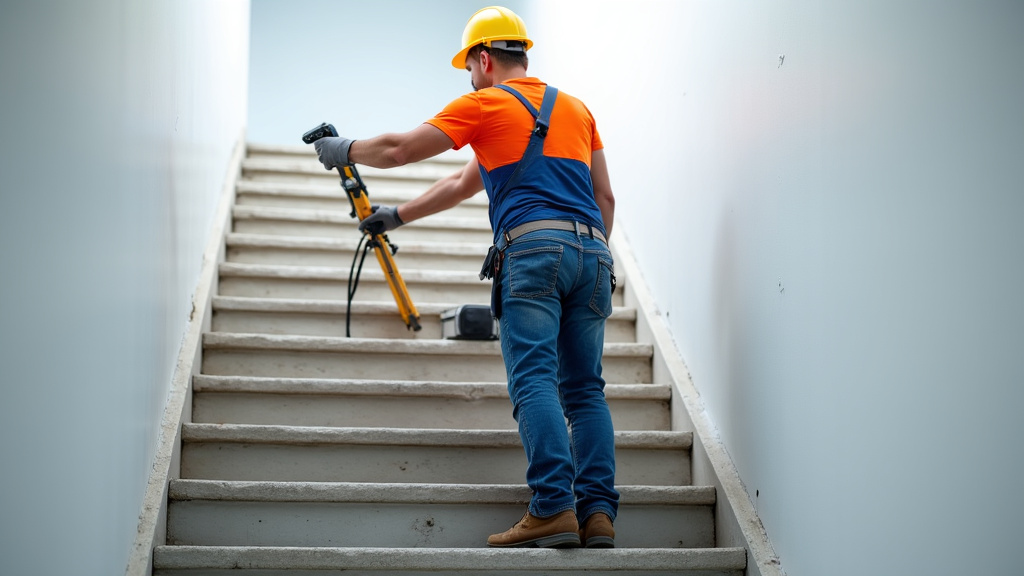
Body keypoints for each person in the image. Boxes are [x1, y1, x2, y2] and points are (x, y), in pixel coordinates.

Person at [312, 5, 618, 549]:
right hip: (594, 254)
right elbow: (596, 196)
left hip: (532, 252)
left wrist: (344, 149)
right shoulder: (577, 110)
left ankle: (553, 506)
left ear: (483, 59)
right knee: (586, 391)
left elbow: (400, 149)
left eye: (469, 68)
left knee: (535, 380)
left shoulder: (484, 104)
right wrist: (398, 215)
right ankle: (598, 514)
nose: (469, 77)